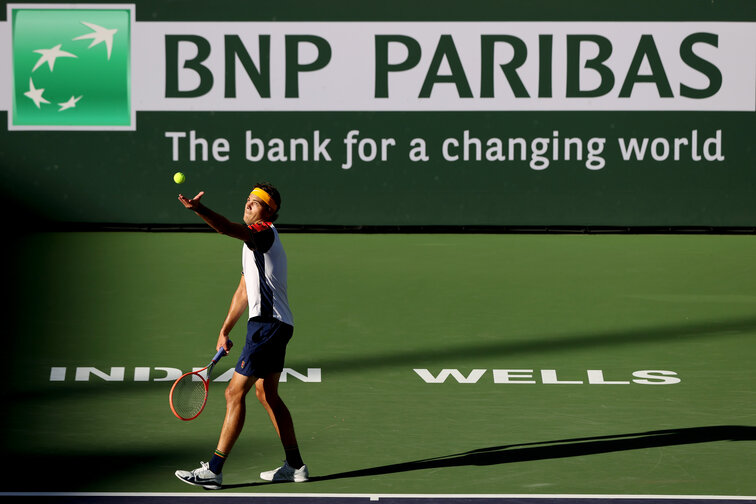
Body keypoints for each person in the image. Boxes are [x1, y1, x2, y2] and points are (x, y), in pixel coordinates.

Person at [174, 183, 308, 489]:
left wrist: (200, 210)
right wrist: (225, 329)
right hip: (276, 325)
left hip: (267, 326)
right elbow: (244, 288)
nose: (248, 205)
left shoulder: (263, 233)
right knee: (266, 394)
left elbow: (223, 228)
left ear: (270, 211)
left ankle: (215, 470)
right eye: (247, 200)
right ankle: (296, 466)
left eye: (256, 202)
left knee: (234, 393)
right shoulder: (253, 245)